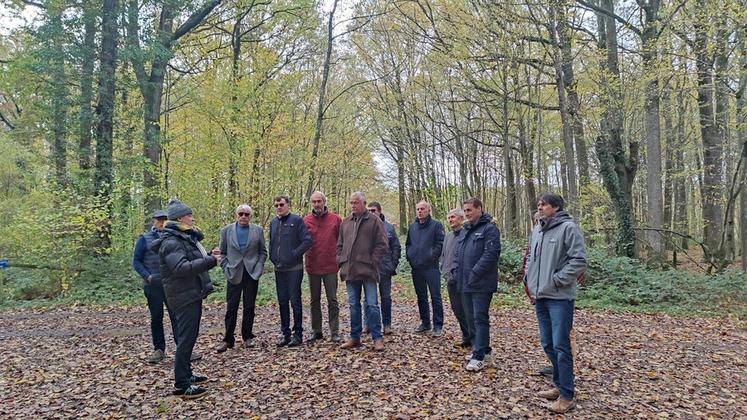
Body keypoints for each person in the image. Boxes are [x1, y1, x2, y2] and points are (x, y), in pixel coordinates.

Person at [525, 192, 587, 414]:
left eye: (544, 205)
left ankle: (567, 395)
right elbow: (532, 258)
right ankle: (559, 385)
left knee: (561, 345)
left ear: (557, 208)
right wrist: (529, 281)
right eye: (538, 204)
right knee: (547, 343)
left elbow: (579, 260)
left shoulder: (569, 228)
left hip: (560, 297)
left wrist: (557, 280)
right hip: (540, 295)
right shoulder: (538, 229)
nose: (539, 207)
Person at [152, 199, 219, 400]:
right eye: (189, 215)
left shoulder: (181, 237)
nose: (192, 218)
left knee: (188, 338)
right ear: (180, 218)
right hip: (183, 295)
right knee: (185, 340)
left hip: (190, 292)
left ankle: (187, 374)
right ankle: (182, 384)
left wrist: (209, 255)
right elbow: (180, 268)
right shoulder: (172, 241)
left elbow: (189, 261)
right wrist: (210, 261)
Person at [337, 192, 389, 351]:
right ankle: (355, 337)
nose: (353, 205)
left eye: (356, 202)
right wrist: (340, 260)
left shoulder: (374, 221)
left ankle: (377, 338)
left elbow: (382, 244)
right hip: (350, 270)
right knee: (353, 305)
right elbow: (339, 244)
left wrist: (372, 261)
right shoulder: (345, 222)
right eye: (351, 202)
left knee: (372, 305)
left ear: (364, 203)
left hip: (368, 270)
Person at [453, 197, 501, 372]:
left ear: (479, 209)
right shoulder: (466, 230)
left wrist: (474, 273)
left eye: (470, 210)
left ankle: (479, 356)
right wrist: (456, 271)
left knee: (480, 318)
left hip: (481, 283)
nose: (467, 213)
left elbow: (491, 255)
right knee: (470, 317)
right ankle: (481, 349)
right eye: (465, 210)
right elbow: (460, 253)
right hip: (464, 282)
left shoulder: (490, 229)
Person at [216, 204, 267, 352]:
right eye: (241, 214)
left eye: (246, 214)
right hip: (233, 273)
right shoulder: (226, 231)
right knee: (231, 307)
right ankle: (228, 339)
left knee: (249, 306)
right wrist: (226, 267)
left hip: (251, 273)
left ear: (250, 216)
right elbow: (222, 253)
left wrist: (259, 266)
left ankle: (247, 336)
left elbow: (263, 252)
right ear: (236, 215)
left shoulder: (257, 230)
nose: (243, 216)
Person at [133, 210, 179, 364]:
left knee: (176, 316)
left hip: (171, 284)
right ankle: (159, 350)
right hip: (153, 285)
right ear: (154, 221)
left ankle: (183, 348)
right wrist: (148, 276)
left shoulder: (172, 237)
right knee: (156, 317)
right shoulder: (144, 239)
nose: (162, 222)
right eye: (159, 219)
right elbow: (136, 261)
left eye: (165, 219)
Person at [269, 195, 312, 347]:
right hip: (279, 268)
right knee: (282, 301)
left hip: (294, 268)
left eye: (281, 204)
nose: (279, 207)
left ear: (287, 205)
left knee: (295, 301)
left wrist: (294, 254)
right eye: (276, 205)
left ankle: (298, 334)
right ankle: (285, 334)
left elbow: (307, 240)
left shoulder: (297, 221)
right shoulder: (273, 223)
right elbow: (272, 243)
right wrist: (272, 257)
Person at [303, 191, 342, 343]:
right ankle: (316, 330)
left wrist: (340, 259)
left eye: (319, 201)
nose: (317, 204)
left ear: (325, 202)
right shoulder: (306, 220)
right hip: (313, 265)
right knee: (314, 300)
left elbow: (341, 240)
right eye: (314, 202)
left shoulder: (335, 219)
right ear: (311, 203)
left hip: (331, 266)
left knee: (332, 300)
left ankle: (335, 331)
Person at [405, 200, 445, 336]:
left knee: (435, 296)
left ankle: (438, 325)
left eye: (423, 209)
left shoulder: (436, 225)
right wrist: (410, 258)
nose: (420, 211)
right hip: (416, 268)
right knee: (421, 296)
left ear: (428, 211)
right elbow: (408, 244)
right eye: (418, 209)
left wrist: (432, 257)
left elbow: (440, 243)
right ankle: (425, 323)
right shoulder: (413, 227)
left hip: (431, 268)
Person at [362, 201, 401, 335]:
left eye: (374, 210)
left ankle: (387, 324)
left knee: (385, 297)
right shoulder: (364, 226)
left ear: (379, 211)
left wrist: (393, 264)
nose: (371, 213)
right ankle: (367, 324)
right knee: (368, 299)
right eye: (369, 211)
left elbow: (396, 246)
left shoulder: (389, 227)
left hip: (385, 268)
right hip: (369, 268)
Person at [440, 208, 470, 350]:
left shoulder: (466, 234)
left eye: (453, 217)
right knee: (456, 308)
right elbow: (445, 255)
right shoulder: (448, 236)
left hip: (463, 279)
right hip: (449, 278)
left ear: (461, 218)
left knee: (467, 309)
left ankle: (472, 337)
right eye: (449, 217)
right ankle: (466, 335)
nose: (451, 220)